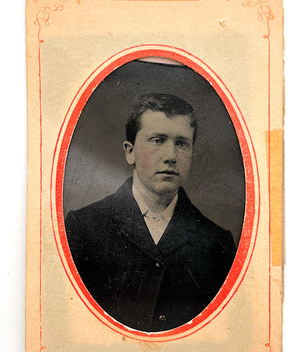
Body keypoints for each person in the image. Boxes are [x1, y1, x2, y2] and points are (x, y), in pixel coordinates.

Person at [65, 93, 237, 332]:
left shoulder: (217, 243)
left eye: (181, 143)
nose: (170, 156)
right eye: (157, 140)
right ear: (130, 151)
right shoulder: (83, 228)